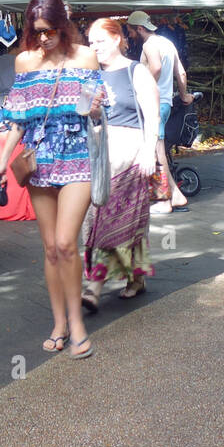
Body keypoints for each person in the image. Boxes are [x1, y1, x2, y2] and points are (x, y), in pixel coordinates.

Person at [0, 0, 103, 360]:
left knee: (67, 243)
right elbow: (18, 120)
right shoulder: (24, 63)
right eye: (37, 31)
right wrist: (2, 162)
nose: (43, 38)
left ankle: (77, 323)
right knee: (51, 248)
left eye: (50, 31)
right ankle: (58, 322)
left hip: (77, 157)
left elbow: (94, 109)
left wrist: (96, 105)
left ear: (63, 26)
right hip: (40, 160)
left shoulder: (86, 56)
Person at [81, 17, 159, 310]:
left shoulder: (135, 71)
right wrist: (92, 109)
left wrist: (149, 151)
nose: (94, 47)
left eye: (100, 40)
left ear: (117, 39)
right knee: (100, 219)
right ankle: (136, 276)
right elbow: (84, 116)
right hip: (99, 154)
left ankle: (93, 288)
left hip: (131, 152)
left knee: (113, 219)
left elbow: (152, 116)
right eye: (90, 42)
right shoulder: (90, 76)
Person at [126, 10, 195, 213]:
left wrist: (144, 89)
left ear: (139, 29)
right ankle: (176, 196)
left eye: (130, 31)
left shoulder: (149, 45)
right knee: (159, 150)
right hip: (166, 103)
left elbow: (155, 68)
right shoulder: (166, 43)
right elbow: (181, 72)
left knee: (156, 152)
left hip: (154, 104)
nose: (130, 36)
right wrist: (183, 95)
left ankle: (164, 201)